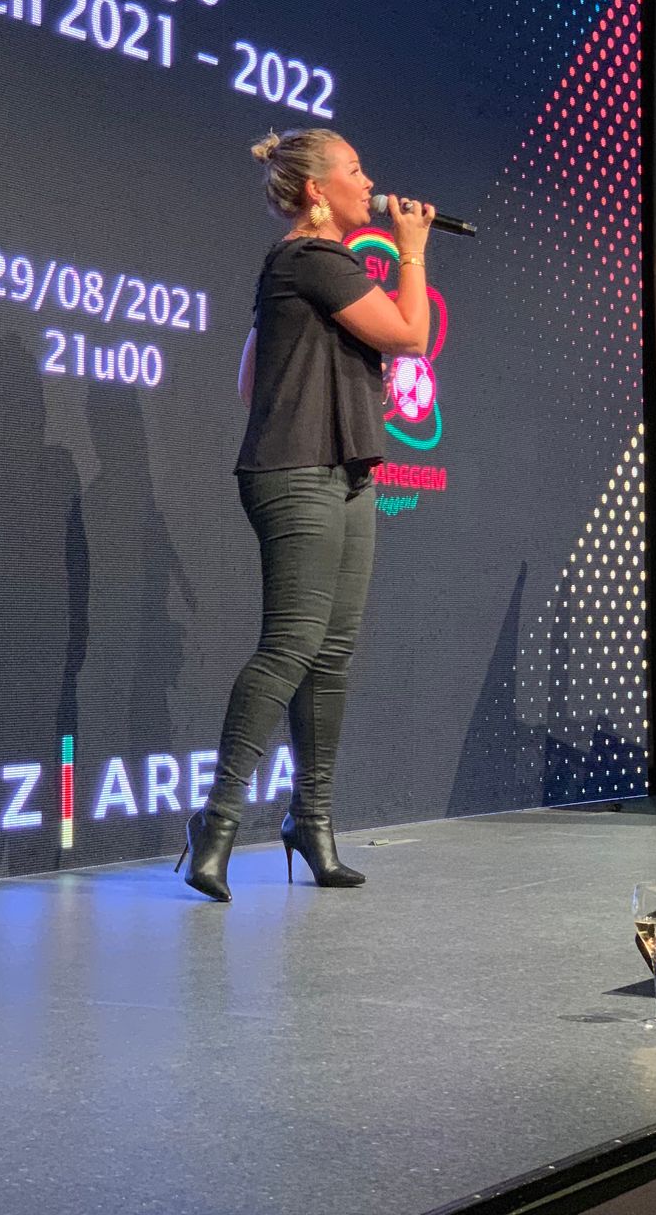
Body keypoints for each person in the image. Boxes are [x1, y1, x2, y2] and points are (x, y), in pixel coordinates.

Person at [176, 127, 434, 901]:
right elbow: (411, 335)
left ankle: (311, 822)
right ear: (318, 190)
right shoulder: (314, 257)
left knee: (331, 655)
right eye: (355, 170)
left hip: (345, 472)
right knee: (291, 644)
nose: (371, 183)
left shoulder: (297, 268)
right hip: (298, 473)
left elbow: (250, 380)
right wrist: (412, 251)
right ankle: (216, 823)